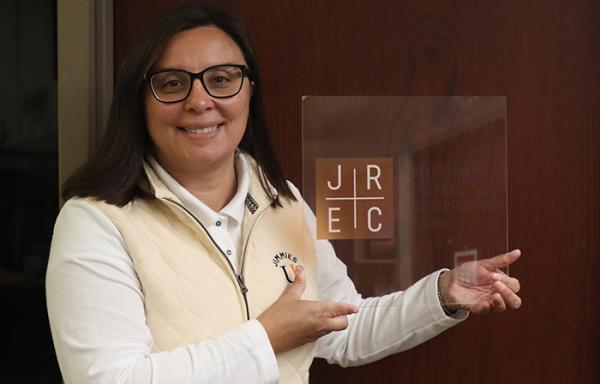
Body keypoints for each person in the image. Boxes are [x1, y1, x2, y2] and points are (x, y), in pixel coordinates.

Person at [46, 4, 522, 384]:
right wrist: (267, 336)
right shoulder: (95, 222)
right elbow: (109, 379)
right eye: (171, 83)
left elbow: (340, 328)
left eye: (221, 79)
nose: (199, 101)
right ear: (139, 101)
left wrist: (443, 294)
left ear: (249, 92)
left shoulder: (284, 199)